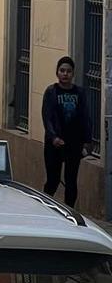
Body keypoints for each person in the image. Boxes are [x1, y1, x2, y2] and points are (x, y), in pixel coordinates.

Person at [42, 56, 93, 207]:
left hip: (73, 144)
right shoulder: (51, 92)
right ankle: (46, 207)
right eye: (62, 71)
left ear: (73, 74)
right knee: (53, 180)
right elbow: (47, 116)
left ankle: (70, 210)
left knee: (71, 181)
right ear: (57, 73)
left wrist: (87, 141)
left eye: (68, 71)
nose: (65, 74)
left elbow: (85, 117)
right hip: (54, 144)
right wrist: (53, 137)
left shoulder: (79, 93)